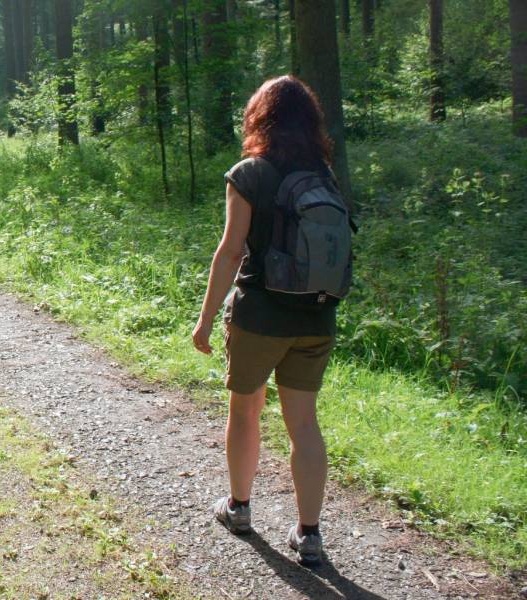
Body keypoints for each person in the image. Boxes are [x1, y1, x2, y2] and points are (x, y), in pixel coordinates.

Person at [191, 75, 344, 566]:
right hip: (316, 318)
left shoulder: (250, 174)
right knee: (304, 423)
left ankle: (238, 508)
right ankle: (310, 534)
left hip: (260, 317)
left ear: (259, 117)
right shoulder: (324, 175)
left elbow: (231, 251)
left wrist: (206, 319)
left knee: (245, 412)